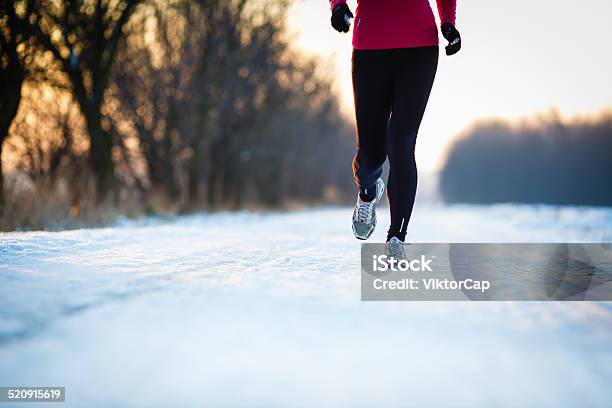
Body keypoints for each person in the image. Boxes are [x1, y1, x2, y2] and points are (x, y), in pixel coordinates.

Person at [329, 0, 461, 256]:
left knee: (401, 145)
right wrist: (338, 6)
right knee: (371, 153)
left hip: (419, 48)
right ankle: (368, 192)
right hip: (370, 48)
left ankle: (396, 238)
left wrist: (448, 23)